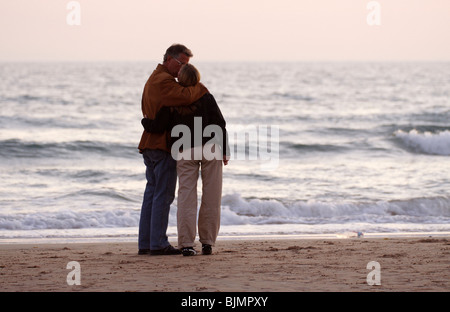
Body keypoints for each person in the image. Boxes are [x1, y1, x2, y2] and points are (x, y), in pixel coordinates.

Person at [142, 64, 229, 256]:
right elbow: (220, 123)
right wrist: (225, 150)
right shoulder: (206, 95)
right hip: (211, 148)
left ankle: (187, 244)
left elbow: (158, 126)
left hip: (185, 150)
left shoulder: (173, 99)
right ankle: (207, 242)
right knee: (212, 196)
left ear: (181, 79)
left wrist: (145, 121)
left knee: (186, 197)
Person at [137, 44, 208, 256]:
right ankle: (157, 243)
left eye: (187, 65)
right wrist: (201, 88)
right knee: (163, 194)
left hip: (150, 144)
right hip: (161, 145)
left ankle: (146, 243)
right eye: (182, 64)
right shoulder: (163, 81)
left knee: (151, 193)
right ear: (169, 59)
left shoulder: (153, 79)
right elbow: (186, 96)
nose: (183, 69)